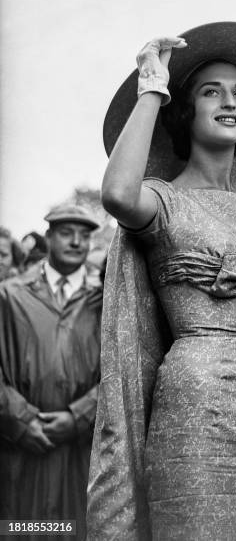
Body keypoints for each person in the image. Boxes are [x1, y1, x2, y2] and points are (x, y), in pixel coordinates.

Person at [87, 22, 236, 540]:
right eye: (211, 91)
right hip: (192, 418)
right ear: (185, 110)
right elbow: (117, 195)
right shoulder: (162, 199)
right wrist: (153, 87)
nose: (229, 101)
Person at [0, 204, 102, 540]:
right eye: (65, 232)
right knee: (19, 529)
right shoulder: (10, 295)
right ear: (48, 237)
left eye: (84, 235)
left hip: (80, 450)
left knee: (75, 529)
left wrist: (78, 417)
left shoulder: (103, 300)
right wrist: (20, 419)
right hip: (20, 445)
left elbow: (118, 373)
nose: (76, 242)